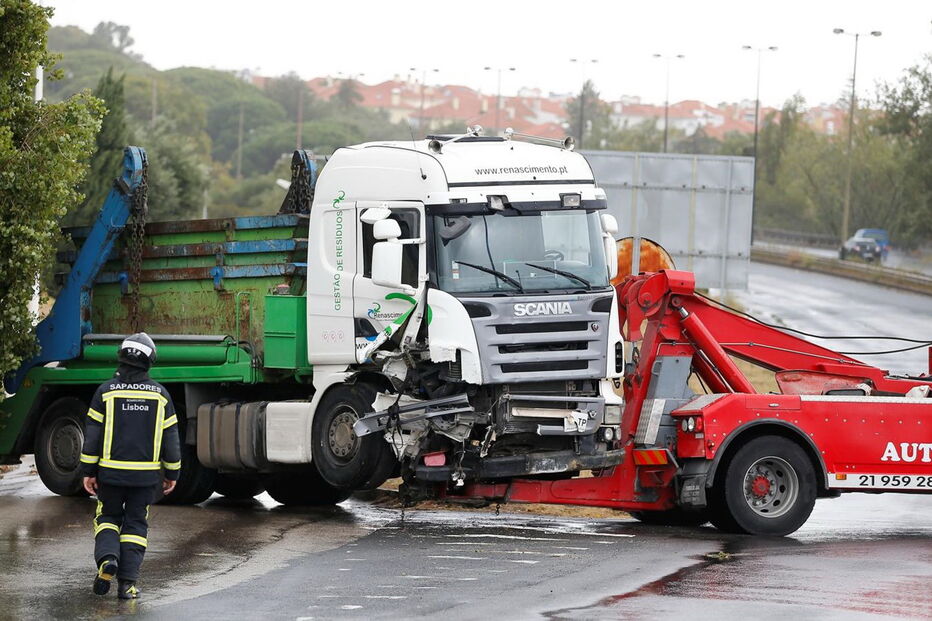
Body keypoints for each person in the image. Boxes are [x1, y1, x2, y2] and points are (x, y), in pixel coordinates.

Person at [79, 333, 181, 599]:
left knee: (107, 518)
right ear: (149, 361)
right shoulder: (161, 396)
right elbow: (171, 440)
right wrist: (172, 473)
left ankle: (107, 559)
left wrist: (88, 471)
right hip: (145, 479)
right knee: (136, 525)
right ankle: (127, 585)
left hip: (110, 475)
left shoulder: (105, 392)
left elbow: (92, 437)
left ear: (121, 358)